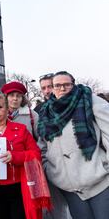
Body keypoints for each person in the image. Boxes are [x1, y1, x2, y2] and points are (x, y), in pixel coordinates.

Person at [38, 71, 109, 219]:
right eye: (57, 85)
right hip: (68, 185)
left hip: (98, 181)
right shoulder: (46, 111)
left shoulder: (89, 100)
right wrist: (50, 170)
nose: (62, 89)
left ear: (73, 84)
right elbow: (42, 144)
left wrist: (105, 165)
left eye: (66, 85)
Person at [0, 94, 48, 219]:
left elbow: (36, 154)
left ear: (7, 109)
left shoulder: (21, 130)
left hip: (17, 186)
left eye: (0, 107)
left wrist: (15, 156)